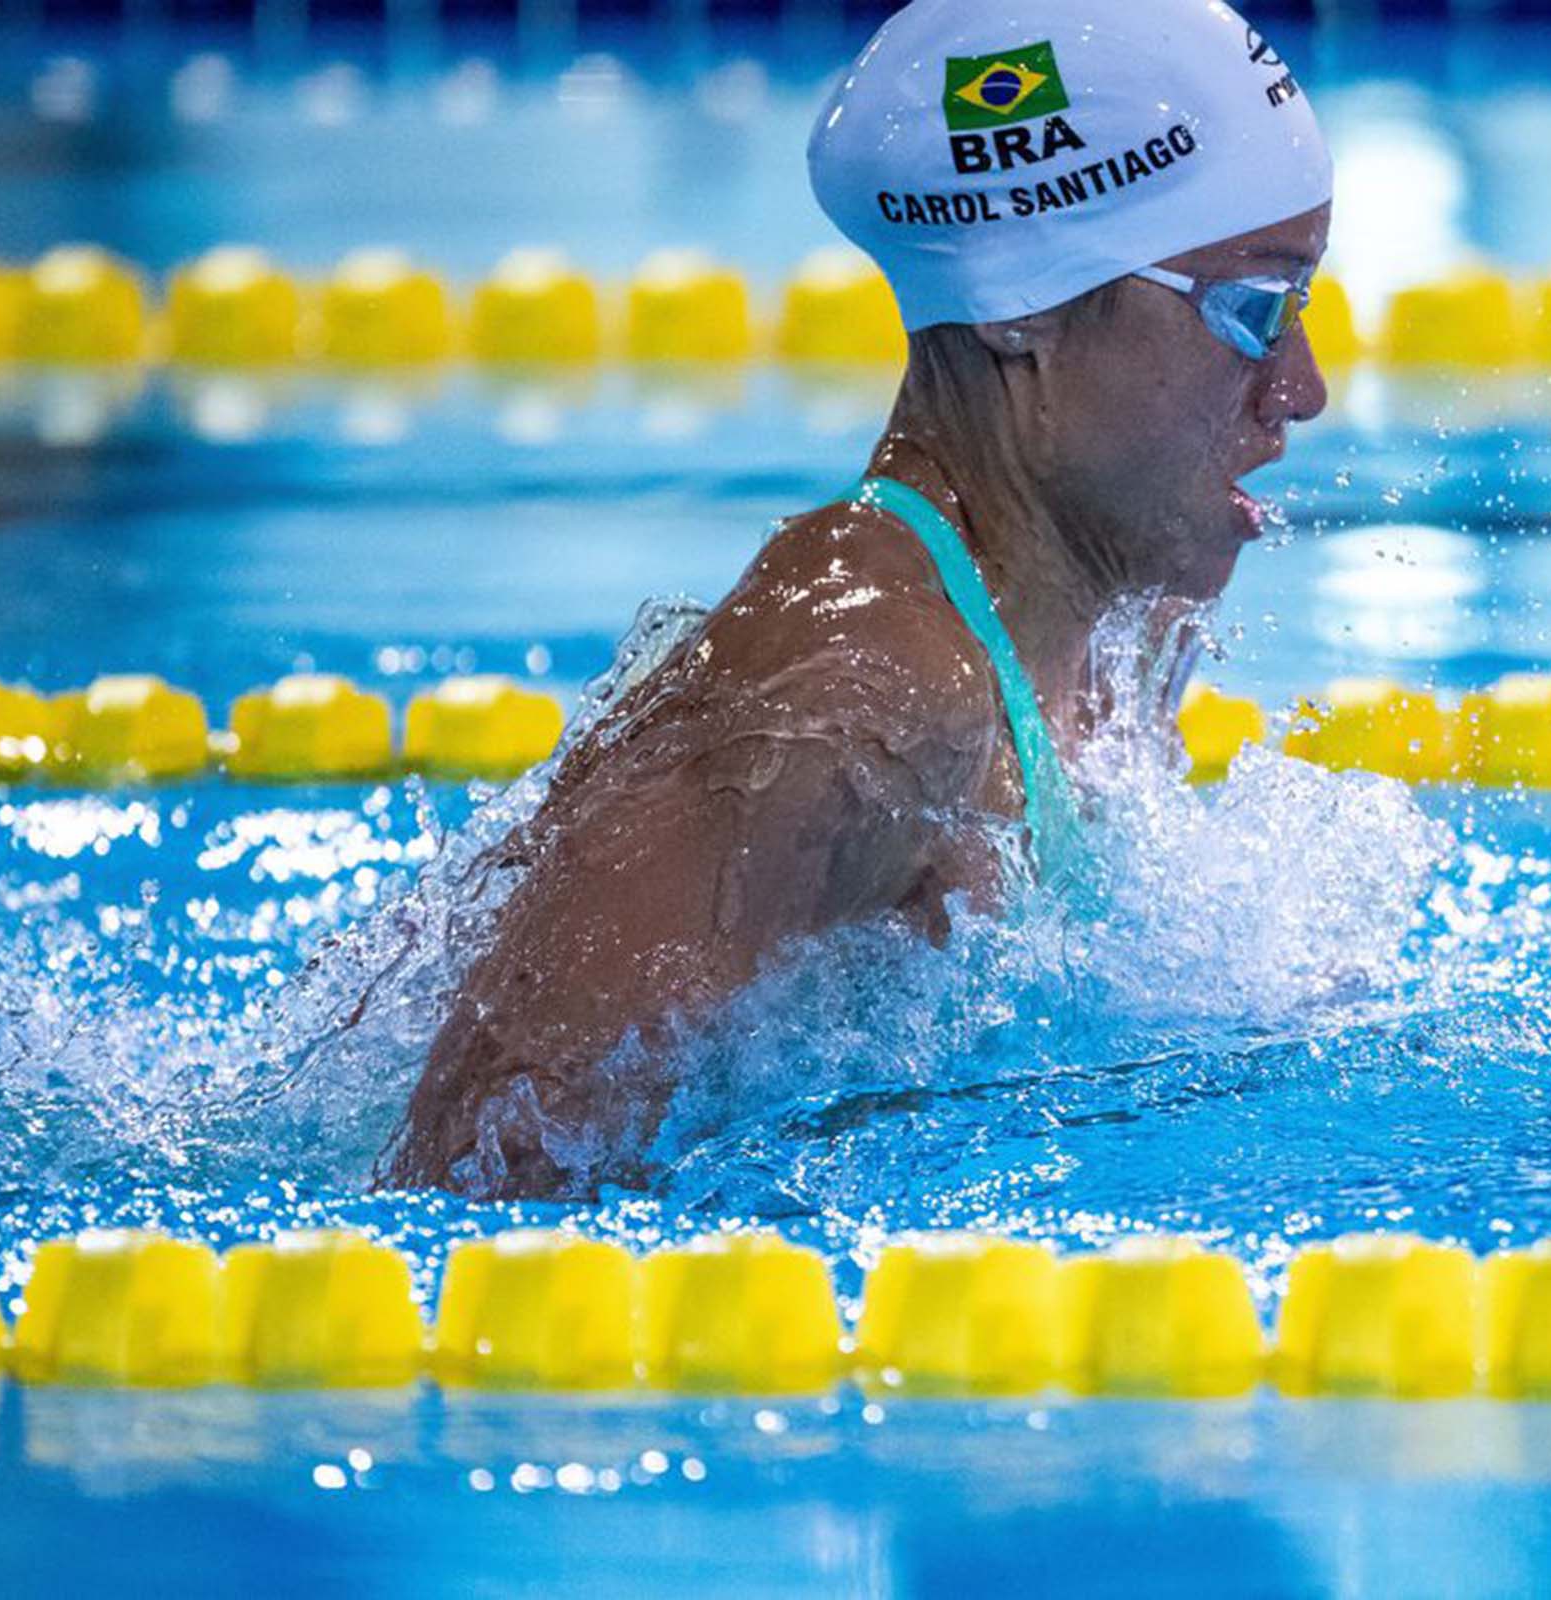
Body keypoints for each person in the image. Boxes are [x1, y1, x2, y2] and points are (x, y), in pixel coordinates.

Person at [380, 0, 1333, 1196]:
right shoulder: (860, 700)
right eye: (1255, 311)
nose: (1302, 389)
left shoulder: (1111, 637)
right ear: (1021, 309)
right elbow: (469, 1176)